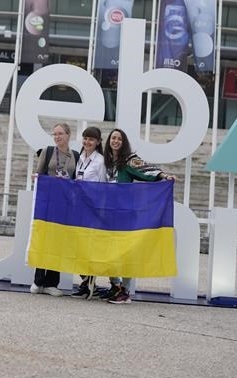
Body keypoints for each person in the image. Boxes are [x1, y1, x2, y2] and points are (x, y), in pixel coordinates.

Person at [102, 128, 174, 304]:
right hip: (109, 212)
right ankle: (115, 285)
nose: (116, 141)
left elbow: (147, 169)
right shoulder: (106, 161)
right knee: (108, 249)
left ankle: (125, 290)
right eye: (113, 138)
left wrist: (164, 176)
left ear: (123, 141)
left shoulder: (129, 160)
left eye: (119, 138)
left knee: (127, 251)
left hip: (126, 212)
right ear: (109, 141)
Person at [30, 122, 79, 297]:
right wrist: (35, 179)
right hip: (47, 203)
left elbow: (77, 180)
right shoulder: (48, 151)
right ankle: (38, 280)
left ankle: (52, 283)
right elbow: (39, 173)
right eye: (55, 134)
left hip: (64, 205)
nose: (57, 137)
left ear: (68, 135)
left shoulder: (75, 156)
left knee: (57, 243)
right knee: (43, 239)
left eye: (60, 134)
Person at [70, 126, 107, 299]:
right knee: (76, 245)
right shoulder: (80, 158)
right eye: (85, 138)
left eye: (91, 139)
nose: (87, 142)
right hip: (79, 207)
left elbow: (103, 185)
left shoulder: (100, 160)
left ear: (98, 142)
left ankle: (89, 282)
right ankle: (85, 280)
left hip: (92, 208)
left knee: (89, 246)